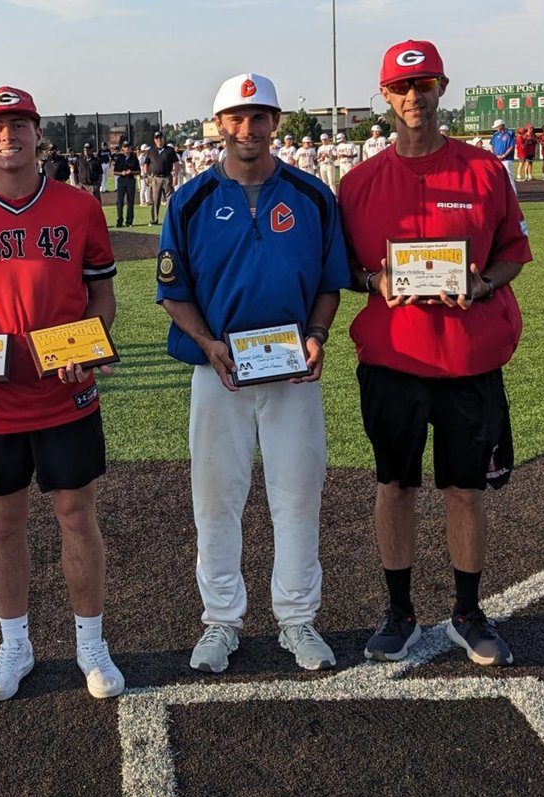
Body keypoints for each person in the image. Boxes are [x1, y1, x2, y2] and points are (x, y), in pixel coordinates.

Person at [338, 40, 532, 668]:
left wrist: (482, 284)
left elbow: (512, 253)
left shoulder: (483, 169)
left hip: (469, 361)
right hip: (393, 361)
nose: (414, 97)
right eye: (401, 87)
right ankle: (399, 610)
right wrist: (374, 282)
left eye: (425, 85)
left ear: (442, 88)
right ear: (385, 96)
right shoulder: (359, 182)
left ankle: (467, 612)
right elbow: (343, 264)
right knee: (394, 485)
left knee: (464, 490)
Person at [0, 85, 124, 702]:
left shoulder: (79, 206)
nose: (7, 135)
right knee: (4, 522)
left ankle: (90, 643)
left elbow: (102, 296)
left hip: (65, 395)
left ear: (39, 133)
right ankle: (15, 644)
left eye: (18, 124)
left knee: (75, 515)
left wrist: (89, 345)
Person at [157, 73, 347, 674]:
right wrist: (208, 343)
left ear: (276, 123)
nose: (248, 128)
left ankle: (297, 619)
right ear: (220, 126)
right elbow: (172, 291)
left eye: (259, 116)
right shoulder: (188, 200)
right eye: (236, 118)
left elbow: (327, 282)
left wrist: (316, 336)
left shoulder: (314, 196)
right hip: (220, 374)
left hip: (292, 374)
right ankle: (220, 621)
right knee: (216, 501)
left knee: (297, 496)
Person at [141, 130, 178, 225]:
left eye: (160, 138)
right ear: (154, 140)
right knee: (155, 199)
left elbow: (176, 163)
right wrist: (145, 176)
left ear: (163, 139)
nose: (159, 140)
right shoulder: (151, 151)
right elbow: (146, 164)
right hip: (156, 178)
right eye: (157, 138)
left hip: (167, 177)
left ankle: (170, 220)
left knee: (170, 199)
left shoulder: (170, 150)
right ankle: (154, 219)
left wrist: (175, 175)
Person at [112, 139, 140, 227]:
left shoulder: (134, 158)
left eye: (128, 147)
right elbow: (114, 171)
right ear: (122, 148)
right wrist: (121, 173)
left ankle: (129, 221)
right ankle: (119, 220)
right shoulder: (120, 158)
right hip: (121, 180)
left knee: (130, 201)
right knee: (119, 201)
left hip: (130, 180)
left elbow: (139, 171)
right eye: (125, 147)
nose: (127, 148)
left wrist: (131, 172)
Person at [490, 119, 516, 188]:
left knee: (509, 177)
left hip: (507, 159)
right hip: (497, 159)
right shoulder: (495, 135)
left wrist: (504, 155)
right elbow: (492, 146)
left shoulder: (510, 134)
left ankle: (513, 195)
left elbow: (512, 146)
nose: (496, 128)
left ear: (501, 125)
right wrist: (495, 156)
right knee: (497, 178)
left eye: (497, 126)